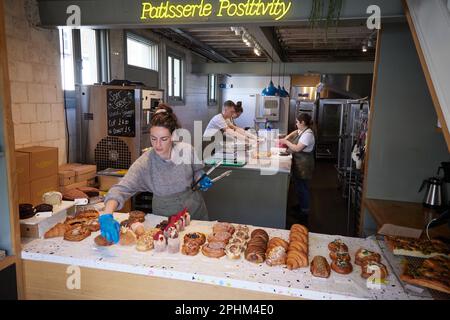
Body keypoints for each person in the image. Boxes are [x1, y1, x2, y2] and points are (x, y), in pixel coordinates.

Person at [99, 105, 212, 243]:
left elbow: (197, 171)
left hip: (194, 211)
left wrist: (201, 179)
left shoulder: (187, 150)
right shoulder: (146, 162)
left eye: (164, 139)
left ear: (173, 136)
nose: (158, 145)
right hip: (165, 216)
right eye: (153, 138)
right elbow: (121, 188)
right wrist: (107, 214)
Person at [277, 113, 315, 217]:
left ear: (302, 123)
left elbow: (297, 148)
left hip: (304, 166)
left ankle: (304, 212)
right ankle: (301, 206)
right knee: (299, 187)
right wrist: (286, 137)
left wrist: (285, 141)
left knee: (303, 188)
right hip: (300, 164)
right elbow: (295, 132)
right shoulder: (302, 130)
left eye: (297, 122)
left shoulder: (308, 134)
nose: (296, 124)